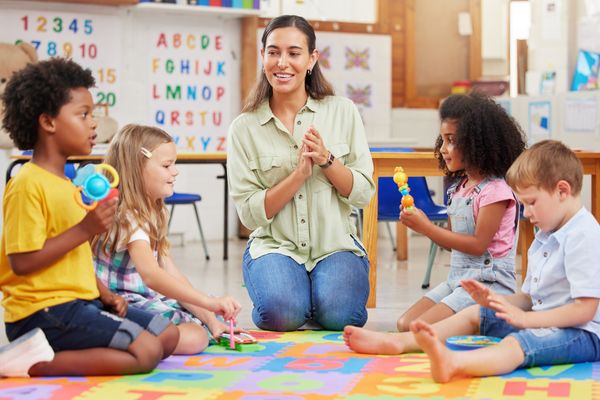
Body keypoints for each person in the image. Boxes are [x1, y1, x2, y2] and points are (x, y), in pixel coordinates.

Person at [344, 140, 600, 382]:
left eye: (531, 203)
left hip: (583, 333)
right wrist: (496, 302)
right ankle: (400, 342)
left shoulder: (583, 235)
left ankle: (454, 363)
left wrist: (526, 321)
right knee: (476, 313)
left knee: (519, 344)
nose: (527, 213)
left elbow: (584, 310)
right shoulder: (545, 233)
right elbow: (531, 298)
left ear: (562, 190)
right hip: (541, 319)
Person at [0, 58, 179, 378]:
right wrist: (86, 228)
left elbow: (73, 257)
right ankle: (26, 361)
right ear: (48, 122)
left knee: (167, 333)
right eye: (83, 115)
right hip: (41, 312)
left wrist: (104, 293)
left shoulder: (67, 185)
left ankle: (65, 347)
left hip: (79, 302)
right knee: (147, 351)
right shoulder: (26, 184)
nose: (94, 124)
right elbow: (21, 263)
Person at [227, 15, 375, 332]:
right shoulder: (244, 128)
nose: (283, 63)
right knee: (282, 316)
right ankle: (296, 296)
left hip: (335, 246)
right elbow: (250, 216)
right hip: (275, 247)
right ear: (263, 57)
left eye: (294, 53)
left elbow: (363, 193)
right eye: (273, 52)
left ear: (311, 59)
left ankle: (316, 296)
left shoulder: (343, 111)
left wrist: (326, 160)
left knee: (341, 317)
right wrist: (297, 176)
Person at [93, 124, 243, 355]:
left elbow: (170, 272)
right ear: (136, 168)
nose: (175, 171)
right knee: (195, 337)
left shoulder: (155, 210)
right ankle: (123, 340)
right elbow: (152, 276)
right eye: (166, 165)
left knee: (200, 321)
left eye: (174, 163)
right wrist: (209, 304)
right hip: (121, 303)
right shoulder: (128, 217)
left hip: (144, 297)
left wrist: (210, 317)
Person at [394, 93, 526, 331]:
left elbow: (477, 245)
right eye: (442, 140)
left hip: (488, 284)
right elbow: (452, 243)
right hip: (458, 281)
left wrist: (427, 227)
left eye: (451, 140)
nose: (443, 149)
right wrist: (421, 224)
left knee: (418, 330)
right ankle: (467, 325)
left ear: (477, 142)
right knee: (405, 324)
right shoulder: (459, 188)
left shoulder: (496, 190)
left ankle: (485, 320)